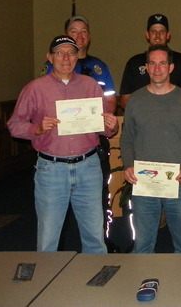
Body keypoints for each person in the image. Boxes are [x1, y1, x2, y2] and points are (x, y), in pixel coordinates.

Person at [8, 35, 119, 253]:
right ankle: (48, 274)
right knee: (48, 238)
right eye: (59, 53)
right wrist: (36, 129)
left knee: (95, 237)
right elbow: (14, 125)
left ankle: (95, 273)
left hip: (88, 167)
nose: (66, 58)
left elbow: (104, 128)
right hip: (52, 170)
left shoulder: (90, 86)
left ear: (77, 57)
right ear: (50, 57)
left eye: (71, 53)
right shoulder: (34, 89)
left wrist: (112, 126)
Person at [41, 15, 117, 250]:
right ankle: (60, 251)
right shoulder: (51, 68)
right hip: (59, 149)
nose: (79, 35)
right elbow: (46, 105)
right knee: (55, 213)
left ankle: (102, 242)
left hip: (92, 145)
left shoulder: (99, 68)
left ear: (89, 37)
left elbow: (110, 102)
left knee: (96, 202)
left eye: (84, 31)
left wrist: (99, 120)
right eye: (74, 31)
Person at [120, 44, 181, 253]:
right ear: (146, 67)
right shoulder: (135, 101)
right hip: (144, 182)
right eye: (152, 63)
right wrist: (128, 165)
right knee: (143, 247)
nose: (157, 69)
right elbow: (127, 138)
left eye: (162, 63)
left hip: (179, 183)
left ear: (171, 67)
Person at [119, 13, 181, 112]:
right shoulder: (134, 63)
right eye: (153, 31)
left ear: (168, 35)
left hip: (176, 117)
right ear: (147, 35)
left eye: (161, 31)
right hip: (144, 118)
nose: (157, 36)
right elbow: (125, 100)